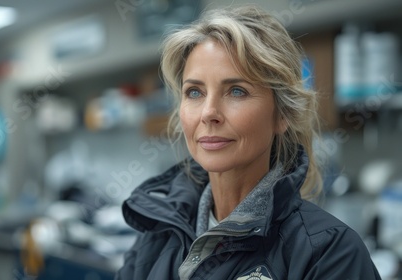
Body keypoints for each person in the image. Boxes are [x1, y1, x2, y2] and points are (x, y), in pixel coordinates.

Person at [116, 5, 381, 280]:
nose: (208, 113)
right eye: (194, 91)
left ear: (282, 114)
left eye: (237, 91)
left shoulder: (330, 254)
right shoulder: (158, 233)